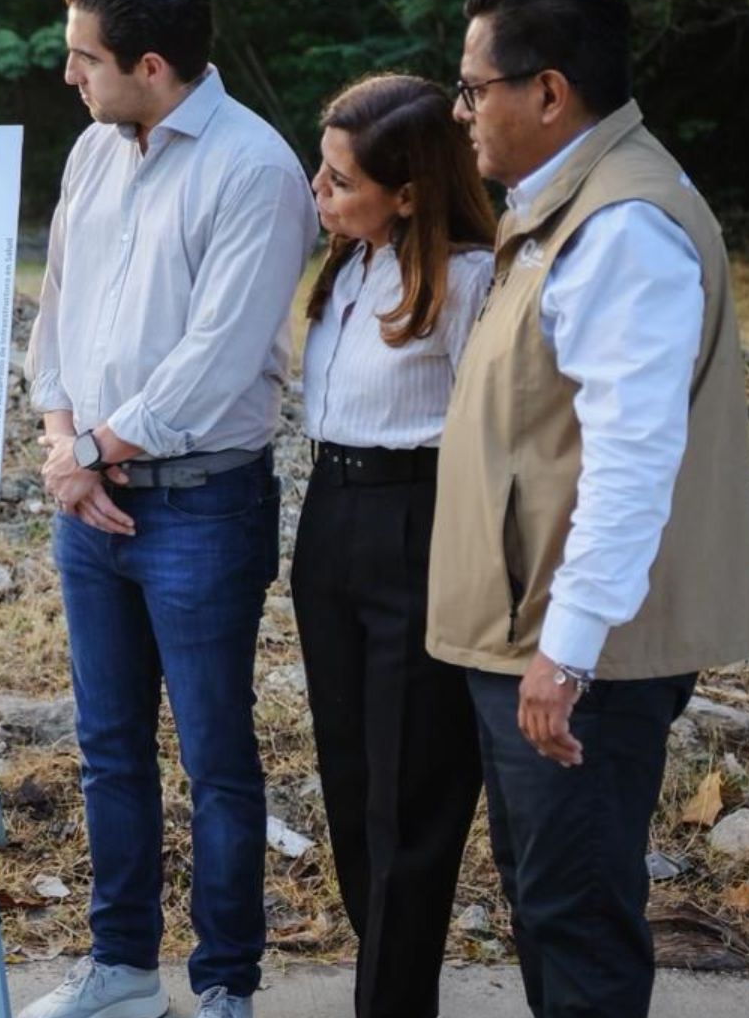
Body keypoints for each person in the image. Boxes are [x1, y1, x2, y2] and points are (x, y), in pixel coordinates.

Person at [431, 0, 749, 1018]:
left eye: (474, 86)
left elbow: (632, 459)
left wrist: (566, 652)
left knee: (576, 920)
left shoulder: (622, 226)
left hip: (579, 654)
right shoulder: (561, 207)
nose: (461, 110)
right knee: (549, 903)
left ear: (548, 91)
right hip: (541, 636)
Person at [21, 0, 315, 1017]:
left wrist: (94, 450)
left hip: (201, 503)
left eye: (83, 58)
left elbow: (219, 359)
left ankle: (227, 983)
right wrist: (66, 445)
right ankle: (123, 972)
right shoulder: (96, 152)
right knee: (106, 748)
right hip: (87, 499)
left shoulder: (255, 170)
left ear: (151, 64)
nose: (70, 76)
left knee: (216, 757)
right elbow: (57, 309)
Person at [292, 73, 494, 1018]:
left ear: (408, 189)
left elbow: (489, 439)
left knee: (410, 796)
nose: (319, 195)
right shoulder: (352, 263)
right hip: (330, 520)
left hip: (418, 523)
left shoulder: (467, 281)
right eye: (320, 172)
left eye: (339, 181)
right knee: (349, 777)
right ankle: (391, 986)